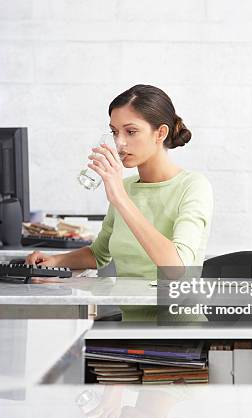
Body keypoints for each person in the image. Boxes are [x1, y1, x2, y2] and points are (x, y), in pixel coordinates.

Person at [25, 84, 214, 321]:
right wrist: (55, 261)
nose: (120, 143)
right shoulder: (125, 188)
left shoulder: (193, 186)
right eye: (115, 132)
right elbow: (98, 254)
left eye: (131, 132)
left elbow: (177, 269)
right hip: (129, 329)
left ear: (160, 133)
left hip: (178, 332)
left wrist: (120, 198)